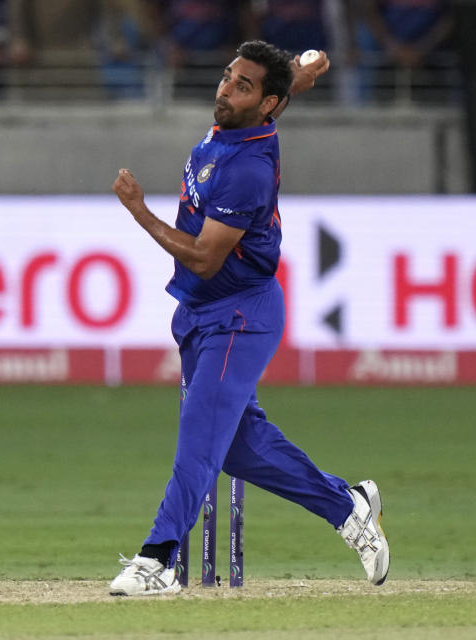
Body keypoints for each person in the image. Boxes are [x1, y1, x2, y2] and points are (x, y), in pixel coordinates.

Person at [109, 40, 389, 596]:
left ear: (265, 106)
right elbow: (286, 88)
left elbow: (204, 256)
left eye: (242, 86)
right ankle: (348, 506)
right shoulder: (245, 120)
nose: (225, 90)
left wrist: (140, 211)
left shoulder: (248, 170)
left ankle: (158, 559)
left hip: (240, 315)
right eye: (227, 77)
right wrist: (301, 71)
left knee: (198, 442)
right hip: (199, 313)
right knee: (236, 447)